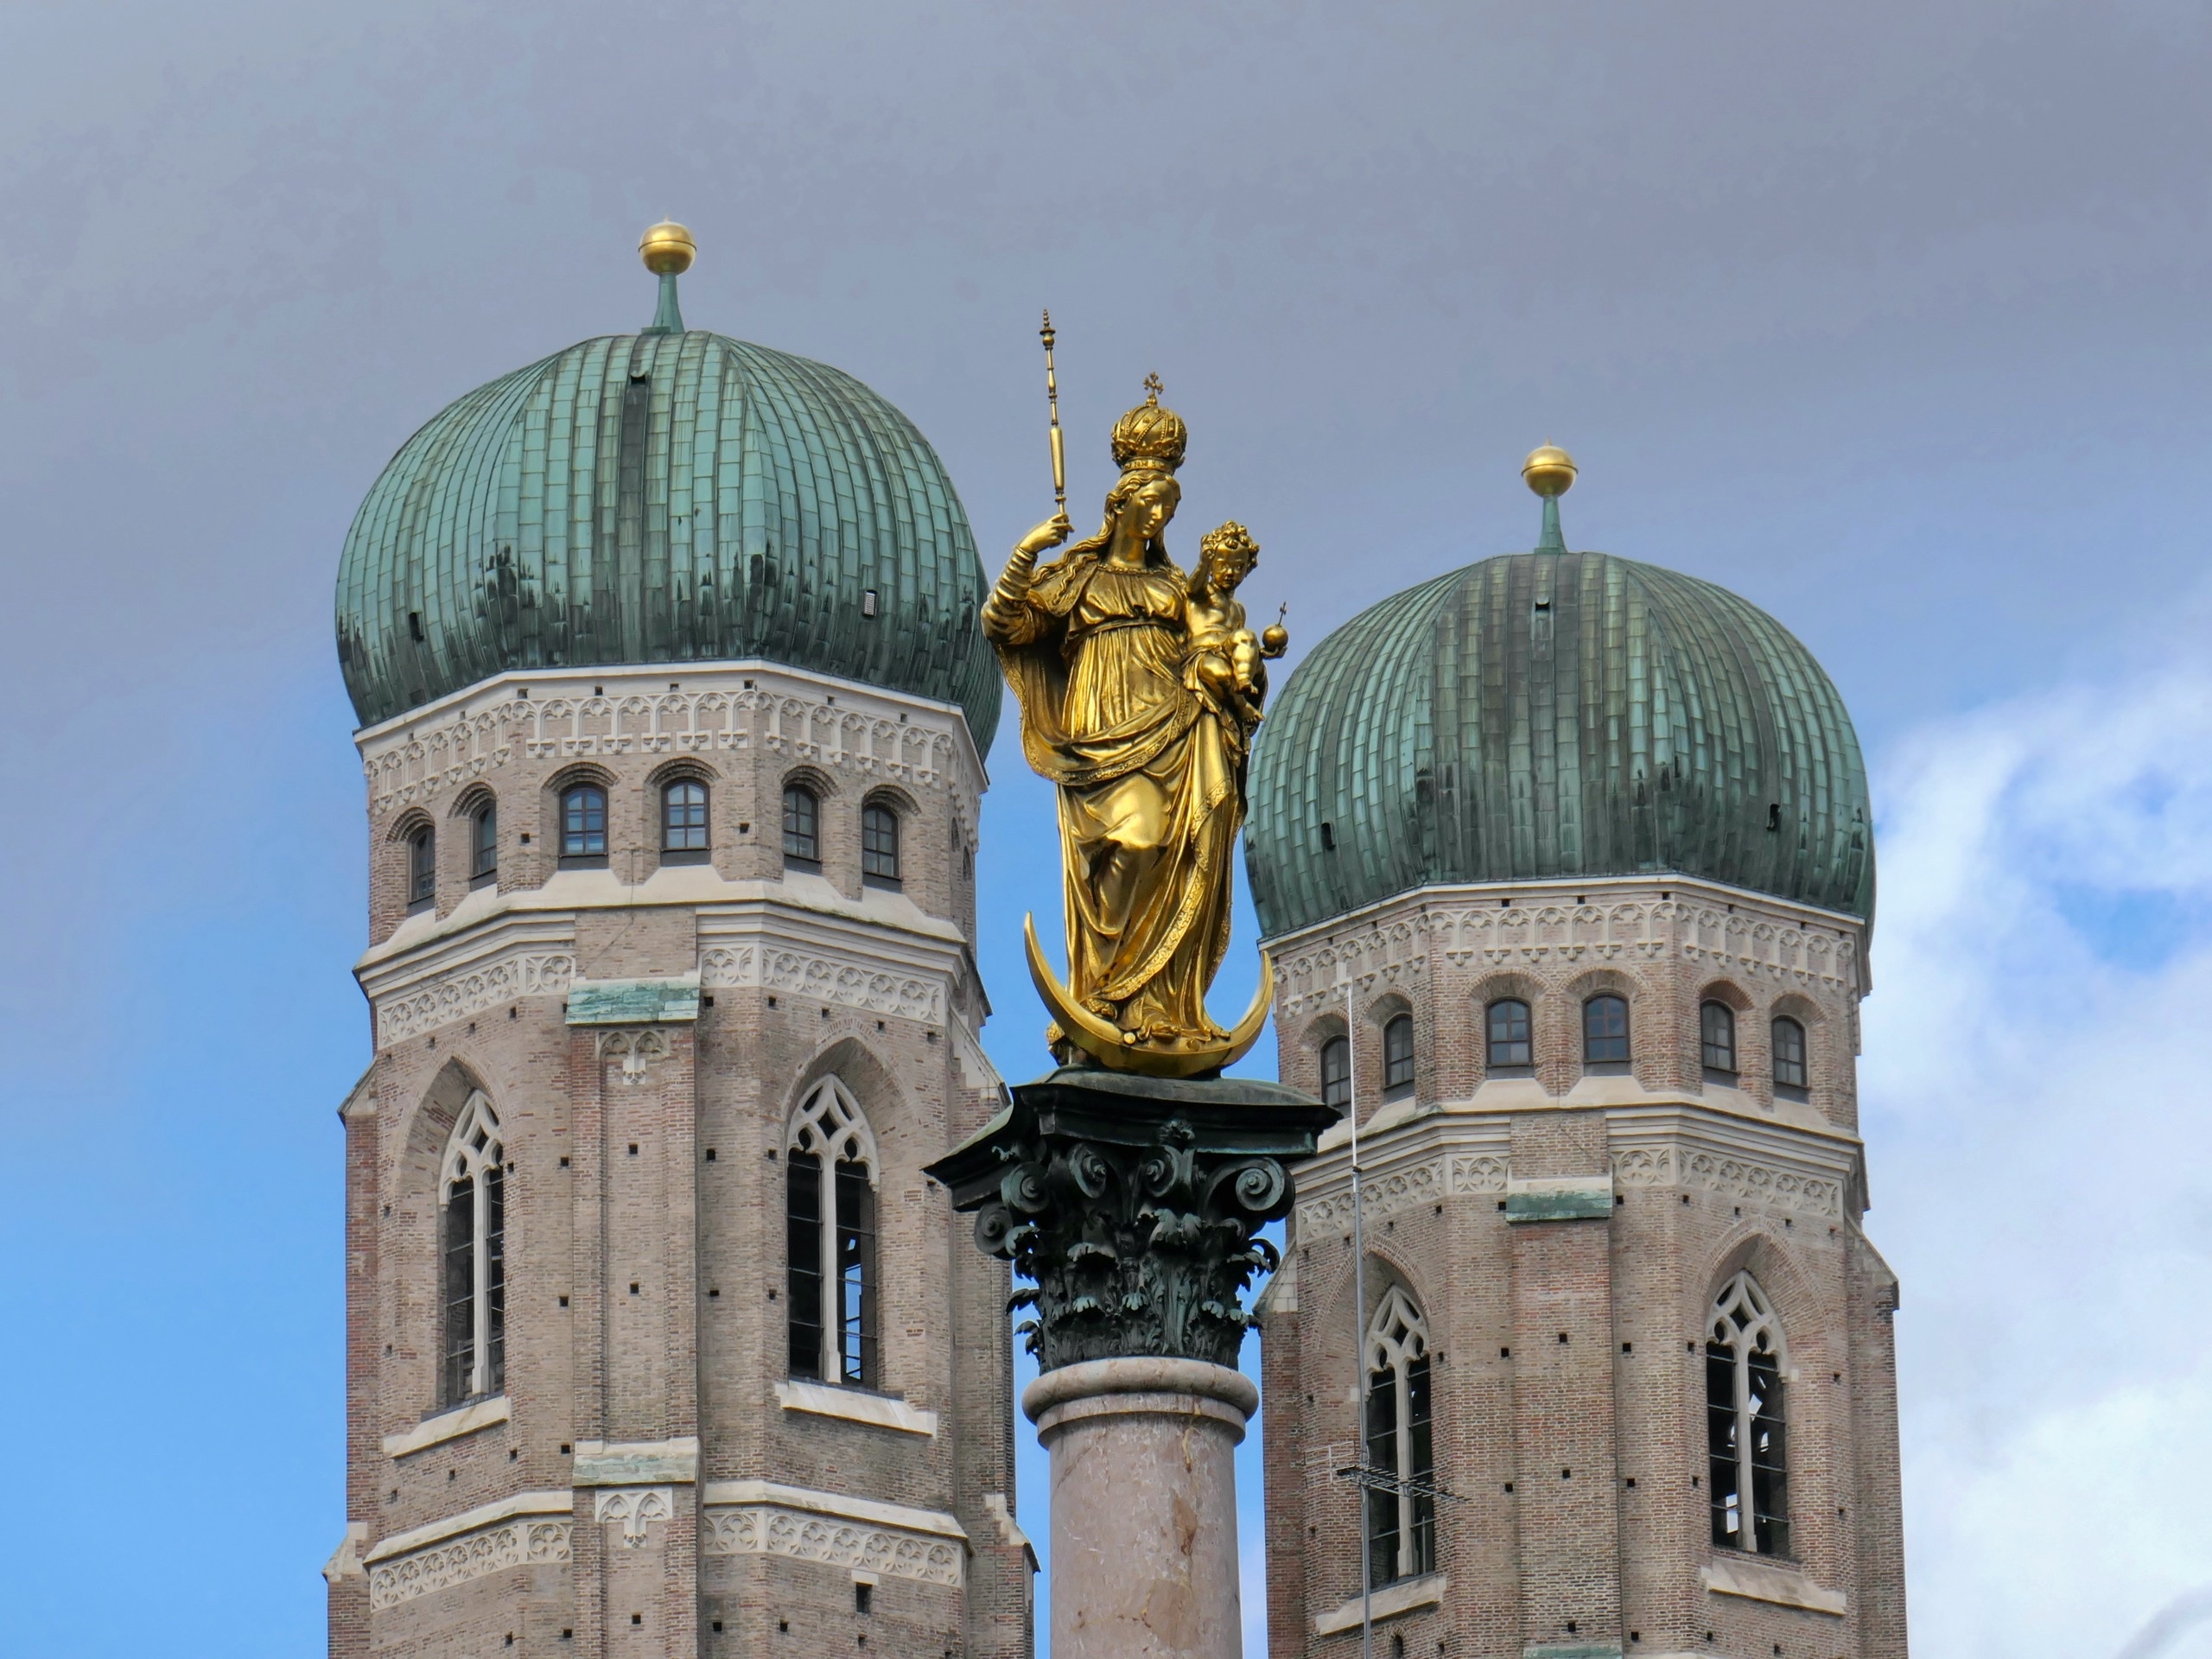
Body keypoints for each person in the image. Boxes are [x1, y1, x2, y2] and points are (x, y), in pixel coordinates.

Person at [982, 381, 1251, 1054]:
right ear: (1120, 505)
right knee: (1128, 844)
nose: (1159, 517)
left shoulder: (1172, 587)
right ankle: (1102, 988)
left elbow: (1215, 641)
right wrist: (1027, 551)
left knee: (1180, 843)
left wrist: (1238, 669)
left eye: (1169, 506)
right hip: (1100, 729)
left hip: (1172, 719)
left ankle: (1161, 1007)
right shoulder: (1080, 579)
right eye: (1149, 503)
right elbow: (1004, 623)